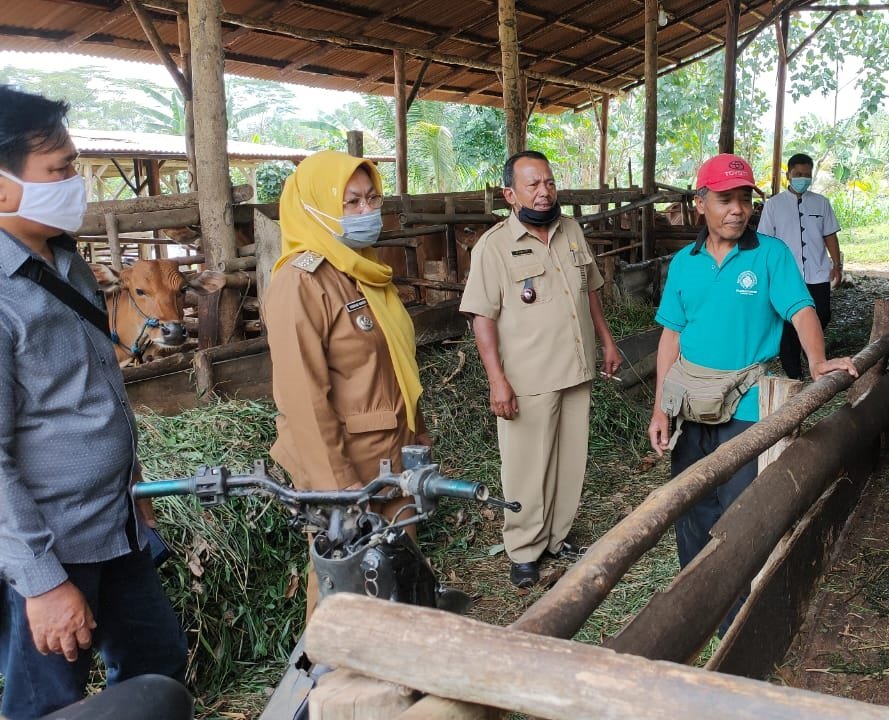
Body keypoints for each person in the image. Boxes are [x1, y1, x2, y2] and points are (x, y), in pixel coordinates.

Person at [0, 85, 187, 719]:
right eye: (58, 171)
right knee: (49, 703)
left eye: (74, 166)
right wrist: (44, 583)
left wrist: (133, 489)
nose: (74, 184)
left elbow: (91, 393)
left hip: (117, 525)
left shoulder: (64, 262)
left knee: (159, 666)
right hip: (55, 546)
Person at [647, 154, 856, 629]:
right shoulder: (685, 264)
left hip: (745, 403)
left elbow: (802, 310)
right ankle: (695, 602)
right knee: (691, 501)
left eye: (744, 199)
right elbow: (670, 336)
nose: (737, 209)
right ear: (701, 204)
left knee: (739, 507)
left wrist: (819, 361)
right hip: (689, 403)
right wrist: (660, 406)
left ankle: (738, 617)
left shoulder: (770, 255)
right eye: (724, 199)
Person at [264, 151, 430, 614]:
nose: (366, 212)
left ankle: (398, 680)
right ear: (316, 208)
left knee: (397, 586)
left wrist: (417, 437)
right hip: (349, 474)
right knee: (348, 593)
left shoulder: (364, 272)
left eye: (371, 199)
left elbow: (394, 368)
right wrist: (339, 496)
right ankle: (327, 683)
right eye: (350, 202)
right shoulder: (301, 284)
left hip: (391, 463)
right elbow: (304, 402)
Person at [460, 151, 622, 588]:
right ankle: (524, 549)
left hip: (575, 365)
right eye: (532, 185)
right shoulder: (494, 246)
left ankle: (556, 538)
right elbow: (482, 317)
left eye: (548, 182)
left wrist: (606, 341)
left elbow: (590, 291)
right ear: (510, 194)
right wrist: (497, 379)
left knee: (571, 462)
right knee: (526, 467)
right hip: (528, 377)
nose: (544, 191)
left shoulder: (571, 230)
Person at [757, 152, 843, 380]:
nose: (802, 178)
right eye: (798, 175)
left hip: (817, 272)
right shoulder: (774, 205)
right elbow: (765, 240)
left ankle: (809, 347)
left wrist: (837, 264)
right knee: (787, 325)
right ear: (788, 175)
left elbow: (830, 235)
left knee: (822, 314)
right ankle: (794, 374)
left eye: (807, 175)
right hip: (786, 276)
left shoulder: (821, 203)